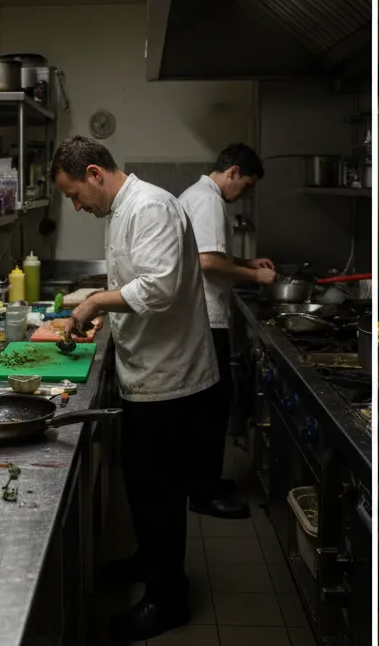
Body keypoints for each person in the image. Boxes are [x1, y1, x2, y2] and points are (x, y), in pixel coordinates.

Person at [52, 136, 218, 641]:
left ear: (95, 173)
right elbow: (135, 276)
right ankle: (151, 563)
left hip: (171, 381)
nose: (77, 207)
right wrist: (102, 303)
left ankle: (168, 601)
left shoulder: (151, 207)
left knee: (160, 495)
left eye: (75, 195)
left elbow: (159, 288)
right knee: (144, 490)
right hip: (146, 374)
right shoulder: (123, 210)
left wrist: (95, 303)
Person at [177, 143, 275, 520]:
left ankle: (206, 482)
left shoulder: (200, 195)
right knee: (211, 409)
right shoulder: (208, 201)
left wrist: (247, 261)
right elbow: (206, 261)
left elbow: (211, 253)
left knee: (211, 406)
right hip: (205, 319)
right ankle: (204, 494)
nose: (245, 194)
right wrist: (255, 275)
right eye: (246, 185)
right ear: (232, 172)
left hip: (202, 317)